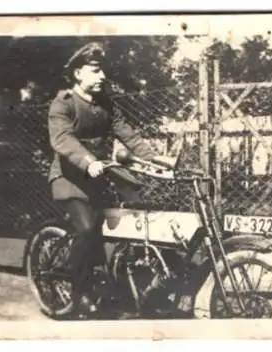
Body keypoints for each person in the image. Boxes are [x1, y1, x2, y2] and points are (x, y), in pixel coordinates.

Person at [47, 41, 171, 314]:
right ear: (78, 73)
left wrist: (156, 158)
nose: (102, 76)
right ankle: (79, 293)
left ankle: (132, 283)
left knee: (138, 210)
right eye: (95, 70)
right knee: (88, 229)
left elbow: (127, 133)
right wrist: (87, 161)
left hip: (101, 173)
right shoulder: (63, 103)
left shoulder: (105, 104)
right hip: (70, 178)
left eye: (101, 70)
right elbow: (62, 139)